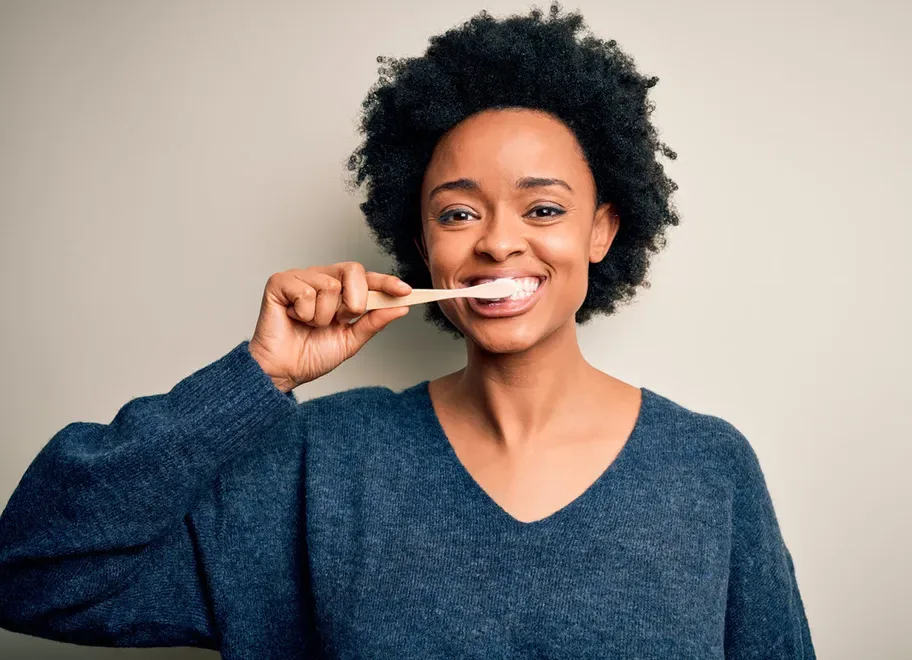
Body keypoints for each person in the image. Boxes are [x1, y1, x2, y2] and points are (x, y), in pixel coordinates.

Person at [0, 3, 816, 658]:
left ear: (602, 232)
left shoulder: (709, 468)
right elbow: (32, 574)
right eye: (459, 212)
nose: (498, 241)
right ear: (422, 243)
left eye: (543, 209)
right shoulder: (320, 463)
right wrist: (256, 378)